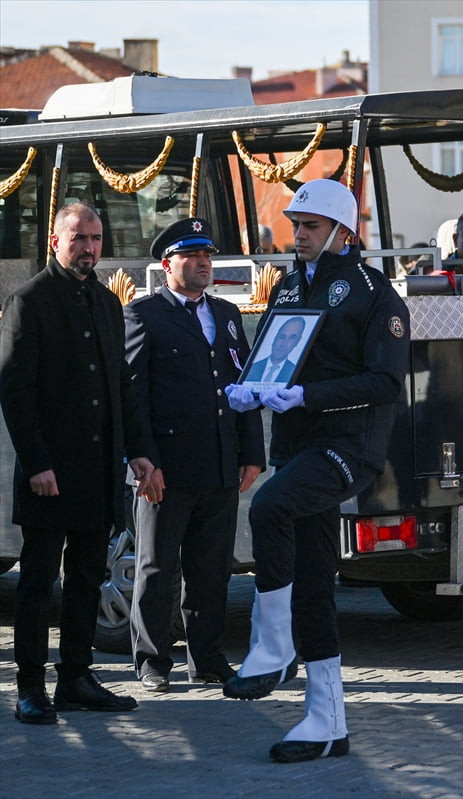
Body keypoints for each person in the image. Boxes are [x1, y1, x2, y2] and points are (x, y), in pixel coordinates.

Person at [221, 179, 409, 763]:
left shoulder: (374, 294)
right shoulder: (288, 284)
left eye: (309, 226)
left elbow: (385, 382)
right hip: (300, 444)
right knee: (313, 585)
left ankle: (272, 646)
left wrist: (307, 396)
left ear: (341, 232)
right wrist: (253, 391)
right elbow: (275, 356)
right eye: (295, 224)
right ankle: (326, 721)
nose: (297, 234)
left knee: (272, 505)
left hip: (348, 445)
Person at [0, 203, 157, 724]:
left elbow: (121, 389)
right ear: (54, 240)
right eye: (79, 238)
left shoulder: (108, 303)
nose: (89, 247)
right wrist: (37, 462)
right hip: (49, 473)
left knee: (88, 576)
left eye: (96, 237)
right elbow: (15, 393)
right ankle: (29, 686)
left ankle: (75, 678)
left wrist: (139, 450)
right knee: (38, 582)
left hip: (98, 470)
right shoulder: (29, 301)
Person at [124, 217, 266, 692]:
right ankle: (151, 661)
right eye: (192, 255)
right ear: (168, 265)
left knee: (211, 571)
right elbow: (133, 396)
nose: (204, 262)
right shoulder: (144, 315)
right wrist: (143, 460)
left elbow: (241, 384)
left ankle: (206, 657)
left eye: (207, 254)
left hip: (220, 463)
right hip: (166, 469)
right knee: (157, 568)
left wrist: (251, 452)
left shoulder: (225, 314)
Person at [242, 316, 304, 384]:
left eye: (292, 338)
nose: (284, 344)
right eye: (282, 337)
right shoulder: (252, 368)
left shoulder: (295, 371)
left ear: (297, 342)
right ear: (275, 338)